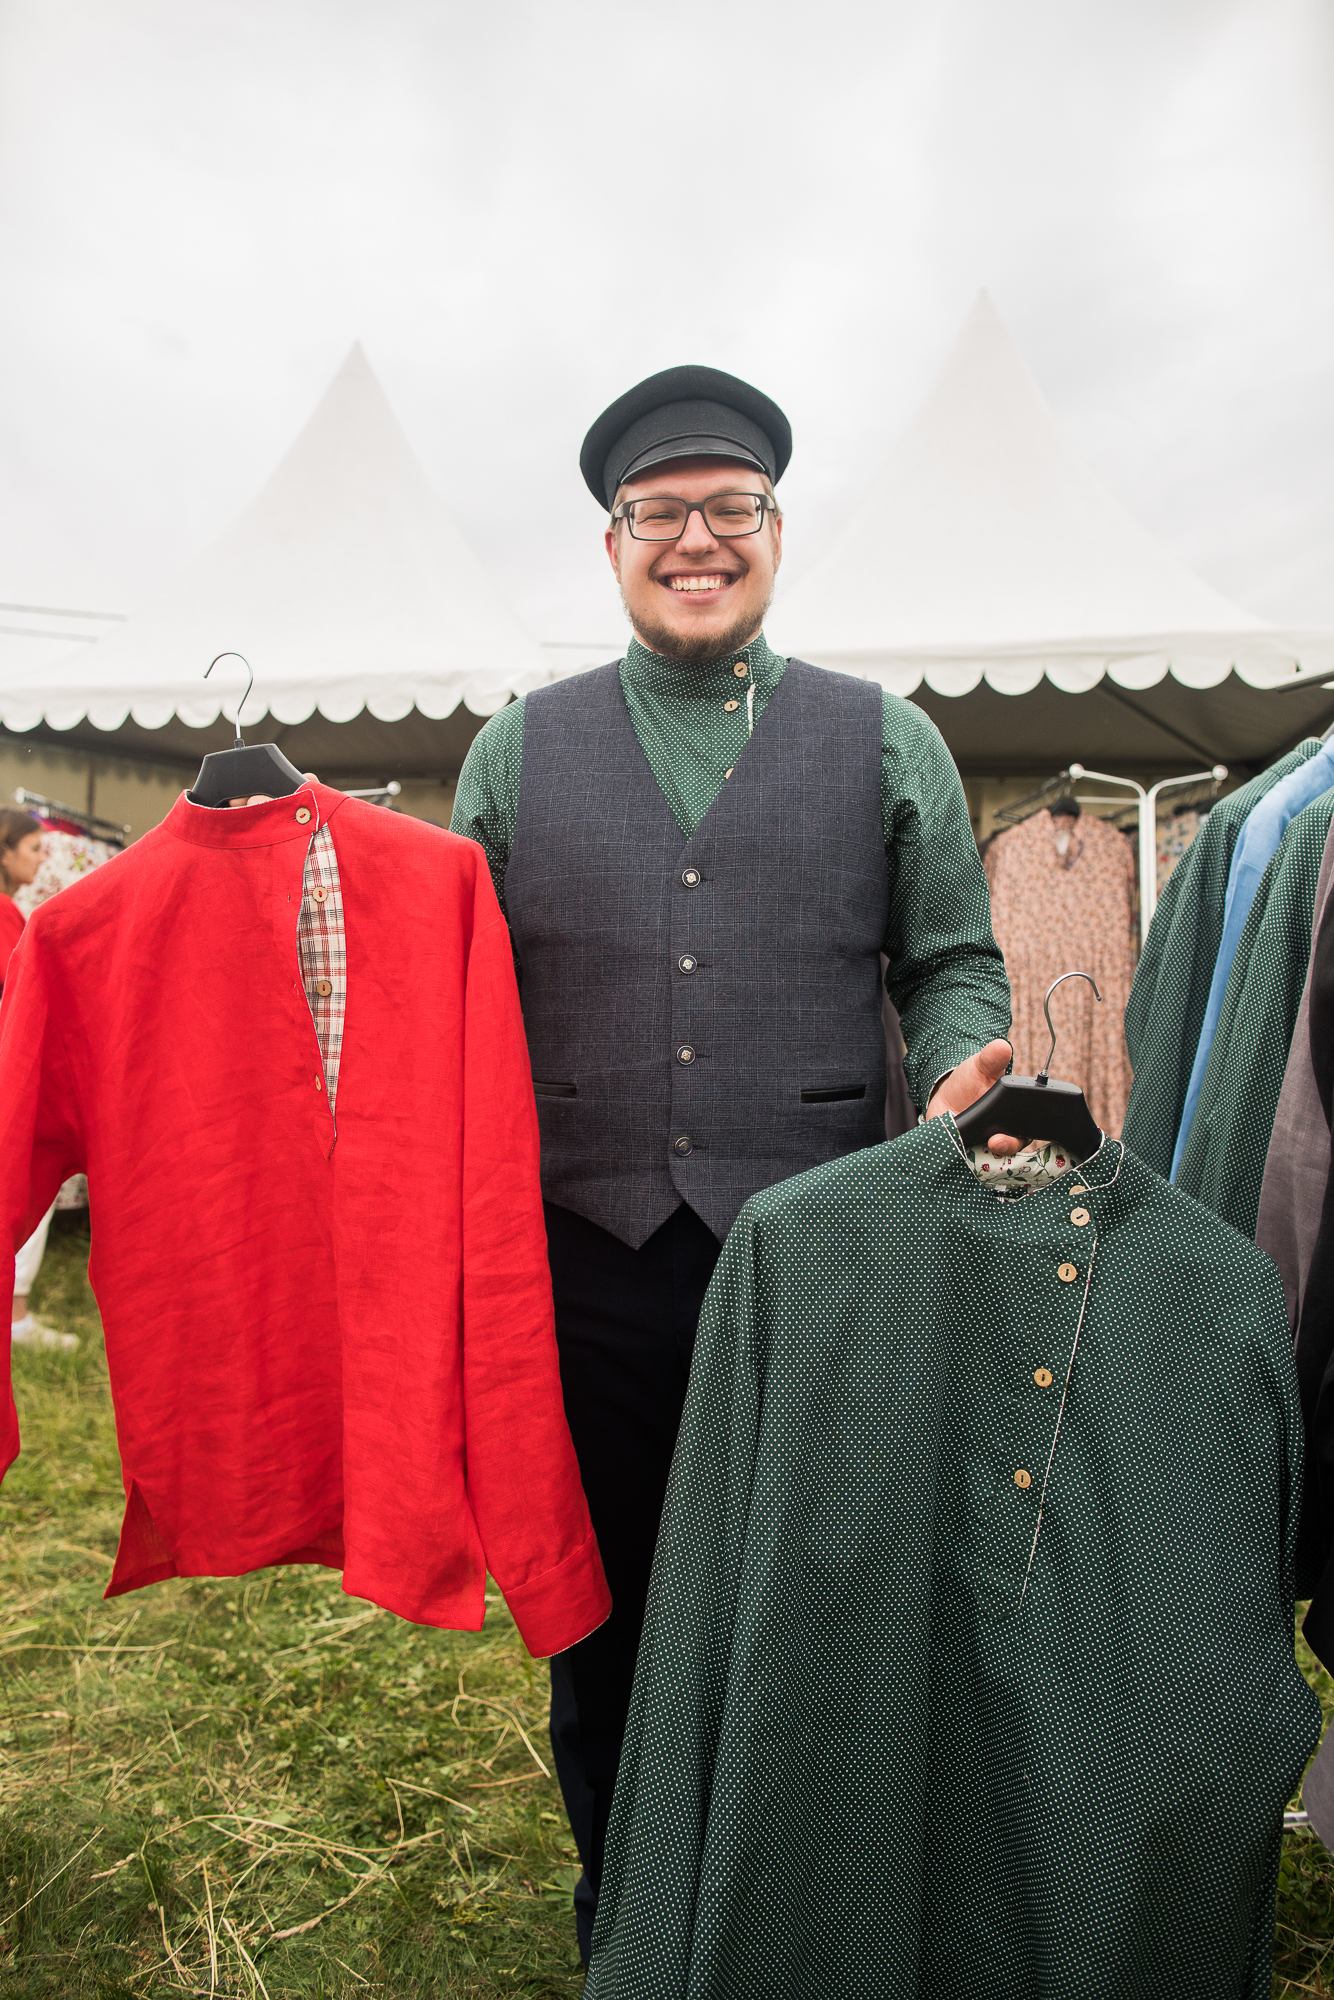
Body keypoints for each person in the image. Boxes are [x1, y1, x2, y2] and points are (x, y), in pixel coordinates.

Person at [450, 364, 1015, 1959]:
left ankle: (793, 1905)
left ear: (774, 528)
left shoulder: (888, 740)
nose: (694, 540)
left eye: (729, 509)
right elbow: (456, 996)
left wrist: (963, 1056)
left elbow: (950, 960)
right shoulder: (515, 752)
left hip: (827, 1262)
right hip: (588, 1269)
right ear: (610, 543)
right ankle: (626, 1911)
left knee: (817, 1606)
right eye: (658, 513)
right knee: (607, 1619)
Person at [0, 809, 75, 1352]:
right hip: (9, 1064)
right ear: (4, 854)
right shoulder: (4, 913)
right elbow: (18, 994)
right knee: (25, 1179)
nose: (42, 857)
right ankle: (16, 1314)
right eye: (32, 847)